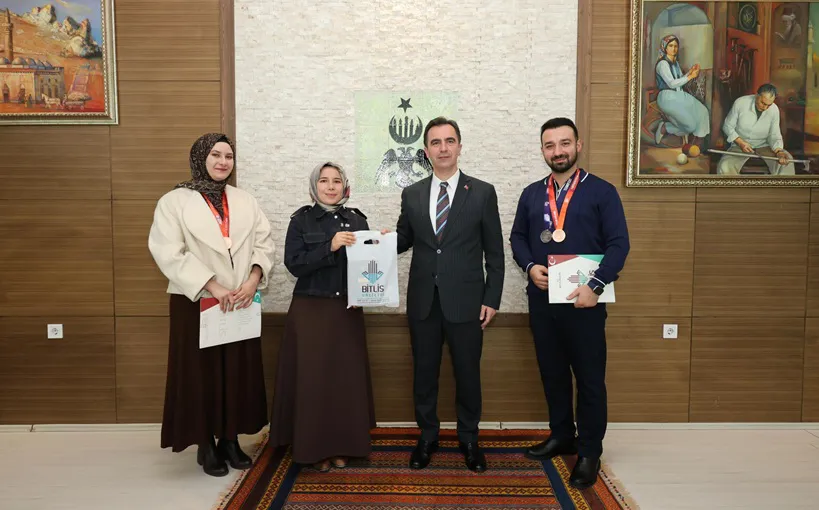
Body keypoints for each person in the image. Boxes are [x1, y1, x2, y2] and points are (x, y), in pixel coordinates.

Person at [509, 117, 629, 490]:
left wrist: (596, 284)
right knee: (553, 373)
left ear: (578, 145)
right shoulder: (532, 194)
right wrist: (530, 267)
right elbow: (517, 238)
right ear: (542, 150)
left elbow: (619, 244)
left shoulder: (602, 192)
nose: (557, 151)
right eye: (550, 145)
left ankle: (589, 451)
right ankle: (562, 435)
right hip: (543, 301)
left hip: (585, 303)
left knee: (589, 379)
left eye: (564, 143)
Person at [148, 133, 275, 477]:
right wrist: (212, 285)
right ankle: (205, 444)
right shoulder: (174, 201)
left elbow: (264, 243)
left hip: (240, 298)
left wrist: (253, 280)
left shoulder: (244, 200)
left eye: (228, 156)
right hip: (197, 300)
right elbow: (168, 251)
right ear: (200, 157)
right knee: (200, 373)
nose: (223, 162)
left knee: (236, 372)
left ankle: (230, 439)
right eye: (216, 155)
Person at [394, 117, 504, 472]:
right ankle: (427, 436)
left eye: (449, 141)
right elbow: (404, 238)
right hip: (423, 301)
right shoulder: (412, 194)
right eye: (436, 142)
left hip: (468, 302)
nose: (443, 148)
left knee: (468, 375)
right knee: (424, 375)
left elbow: (495, 253)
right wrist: (374, 243)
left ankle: (469, 439)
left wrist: (492, 298)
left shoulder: (482, 192)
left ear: (459, 146)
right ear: (426, 151)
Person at [269, 162, 376, 472]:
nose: (330, 186)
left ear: (345, 186)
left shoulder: (357, 220)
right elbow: (295, 264)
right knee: (313, 382)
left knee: (344, 382)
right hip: (310, 311)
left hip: (347, 311)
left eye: (337, 181)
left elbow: (368, 265)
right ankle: (314, 450)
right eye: (324, 181)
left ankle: (344, 447)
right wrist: (329, 246)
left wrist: (379, 244)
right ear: (314, 186)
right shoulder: (301, 221)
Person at [716, 83, 795, 175]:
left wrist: (779, 151)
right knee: (724, 166)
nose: (765, 108)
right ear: (757, 95)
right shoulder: (741, 103)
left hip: (765, 146)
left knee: (787, 163)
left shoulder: (774, 110)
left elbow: (774, 134)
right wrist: (740, 142)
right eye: (763, 103)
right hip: (739, 146)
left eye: (769, 105)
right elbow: (727, 126)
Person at [654, 34, 710, 150]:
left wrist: (690, 72)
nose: (674, 49)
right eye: (670, 46)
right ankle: (665, 127)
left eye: (676, 46)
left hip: (678, 95)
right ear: (665, 47)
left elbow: (680, 80)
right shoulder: (662, 64)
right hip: (667, 97)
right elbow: (671, 84)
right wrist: (690, 77)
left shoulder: (675, 63)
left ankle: (697, 145)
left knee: (703, 111)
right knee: (690, 126)